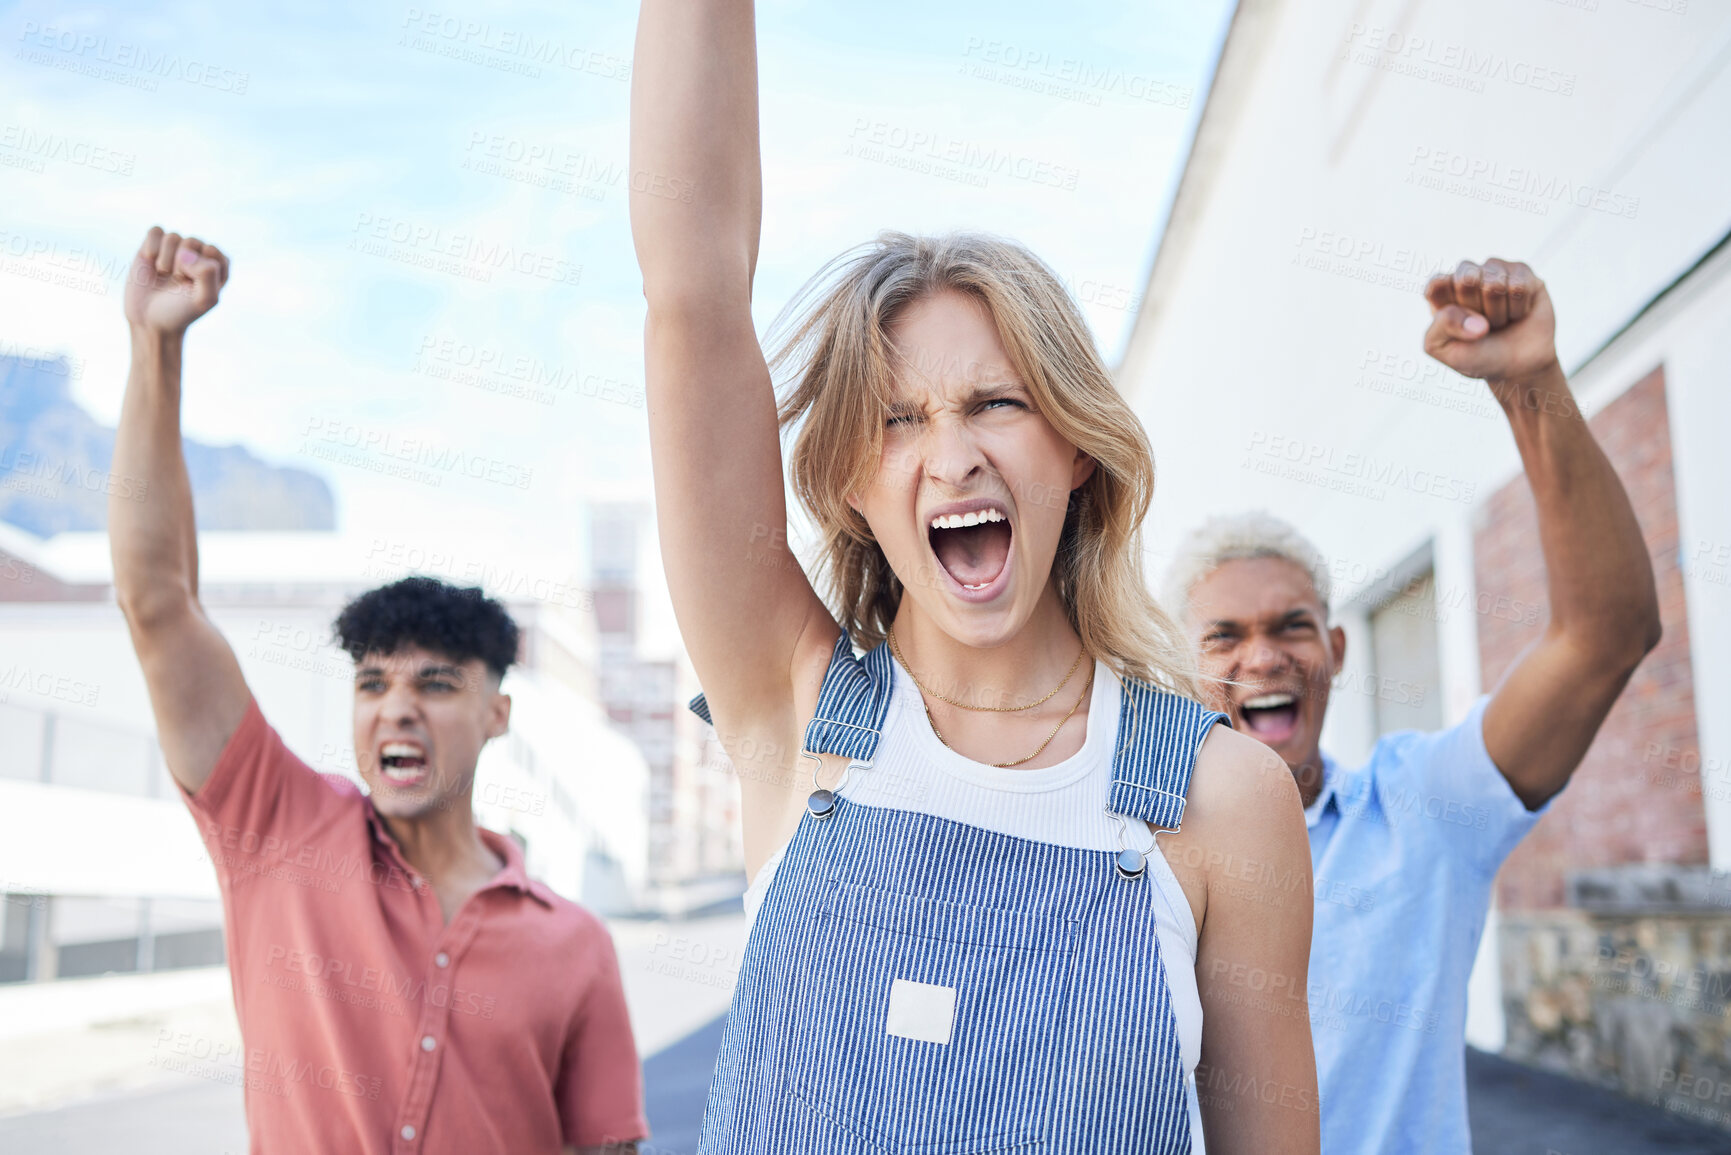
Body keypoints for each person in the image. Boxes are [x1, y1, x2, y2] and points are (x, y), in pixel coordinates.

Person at [628, 4, 1319, 1151]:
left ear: (1077, 450)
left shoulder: (1226, 801)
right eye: (899, 421)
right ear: (852, 483)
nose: (953, 454)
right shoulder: (792, 709)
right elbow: (692, 295)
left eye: (997, 403)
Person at [110, 226, 646, 1154]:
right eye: (372, 683)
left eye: (434, 683)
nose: (396, 705)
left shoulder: (577, 947)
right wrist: (156, 346)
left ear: (496, 714)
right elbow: (158, 601)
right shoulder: (275, 830)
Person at [1165, 259, 1662, 1154]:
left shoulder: (1423, 809)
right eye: (1223, 636)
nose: (1264, 655)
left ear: (1336, 651)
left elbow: (1605, 634)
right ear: (1177, 671)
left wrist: (1527, 384)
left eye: (1292, 626)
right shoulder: (1136, 854)